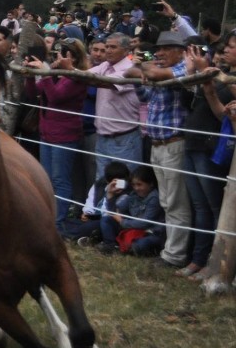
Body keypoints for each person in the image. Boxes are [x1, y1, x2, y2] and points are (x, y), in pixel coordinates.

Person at [124, 30, 192, 268]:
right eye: (158, 50)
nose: (159, 54)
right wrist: (146, 73)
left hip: (174, 144)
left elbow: (145, 71)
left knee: (176, 202)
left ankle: (175, 255)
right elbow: (134, 77)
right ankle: (170, 248)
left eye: (165, 50)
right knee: (166, 201)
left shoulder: (185, 68)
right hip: (157, 143)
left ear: (179, 51)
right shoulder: (161, 70)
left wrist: (147, 70)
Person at [174, 32, 236, 278]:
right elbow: (194, 99)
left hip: (212, 147)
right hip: (193, 140)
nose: (227, 50)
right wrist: (198, 74)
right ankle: (198, 259)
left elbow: (221, 115)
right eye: (226, 46)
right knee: (199, 205)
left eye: (231, 46)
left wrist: (208, 73)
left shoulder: (225, 77)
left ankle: (215, 261)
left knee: (213, 206)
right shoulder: (218, 72)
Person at [22, 38, 90, 237]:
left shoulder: (77, 77)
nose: (58, 57)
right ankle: (47, 219)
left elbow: (55, 97)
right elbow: (34, 92)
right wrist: (30, 74)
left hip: (65, 134)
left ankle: (57, 224)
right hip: (47, 131)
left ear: (73, 57)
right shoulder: (57, 73)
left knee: (60, 180)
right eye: (57, 53)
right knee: (47, 179)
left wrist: (45, 72)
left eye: (63, 53)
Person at [89, 32, 143, 184]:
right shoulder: (105, 65)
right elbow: (85, 76)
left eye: (113, 47)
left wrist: (73, 72)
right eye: (106, 46)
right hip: (102, 137)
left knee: (125, 183)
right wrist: (70, 70)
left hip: (124, 139)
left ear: (126, 50)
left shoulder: (130, 68)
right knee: (102, 182)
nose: (108, 50)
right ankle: (103, 208)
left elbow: (106, 83)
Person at [96, 165, 166, 256]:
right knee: (106, 220)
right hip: (132, 229)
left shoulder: (155, 198)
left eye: (139, 184)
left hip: (150, 233)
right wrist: (110, 194)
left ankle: (126, 248)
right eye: (133, 185)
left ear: (151, 184)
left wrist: (122, 221)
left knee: (141, 244)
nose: (136, 188)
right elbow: (113, 212)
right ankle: (110, 246)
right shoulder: (133, 195)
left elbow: (144, 223)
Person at [69, 161, 131, 244]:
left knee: (91, 226)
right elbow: (90, 200)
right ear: (107, 181)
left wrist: (110, 194)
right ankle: (84, 237)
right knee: (71, 222)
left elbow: (110, 214)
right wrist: (87, 212)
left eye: (121, 181)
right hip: (93, 217)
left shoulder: (128, 193)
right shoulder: (99, 184)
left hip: (109, 222)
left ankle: (68, 236)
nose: (118, 184)